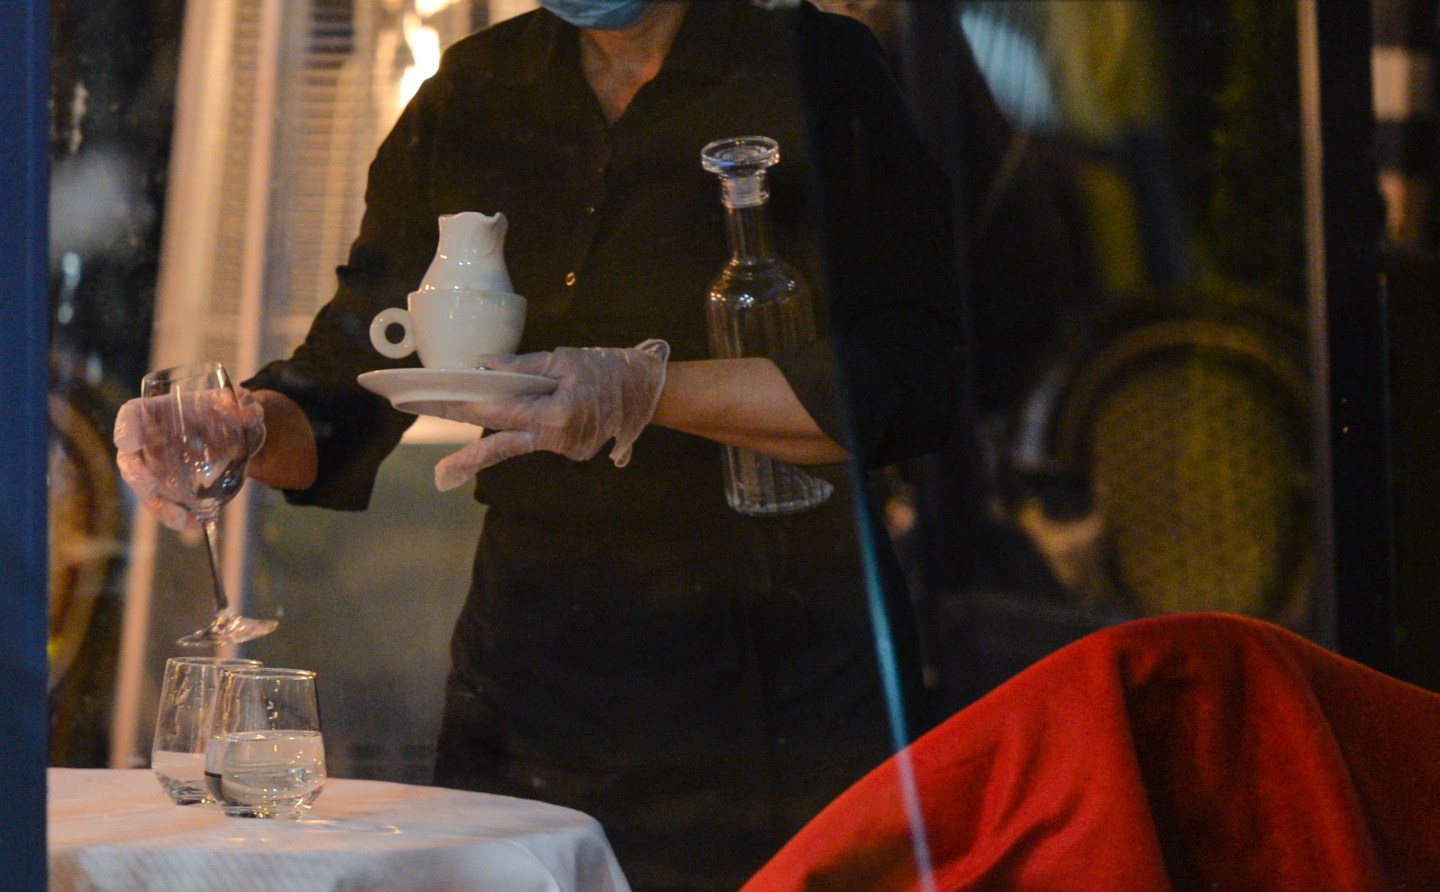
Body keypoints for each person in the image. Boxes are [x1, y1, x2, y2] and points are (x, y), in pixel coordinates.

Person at [117, 1, 965, 888]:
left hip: (775, 679)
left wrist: (643, 390)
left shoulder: (812, 65)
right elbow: (343, 387)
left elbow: (911, 381)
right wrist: (241, 426)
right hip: (534, 676)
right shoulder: (475, 90)